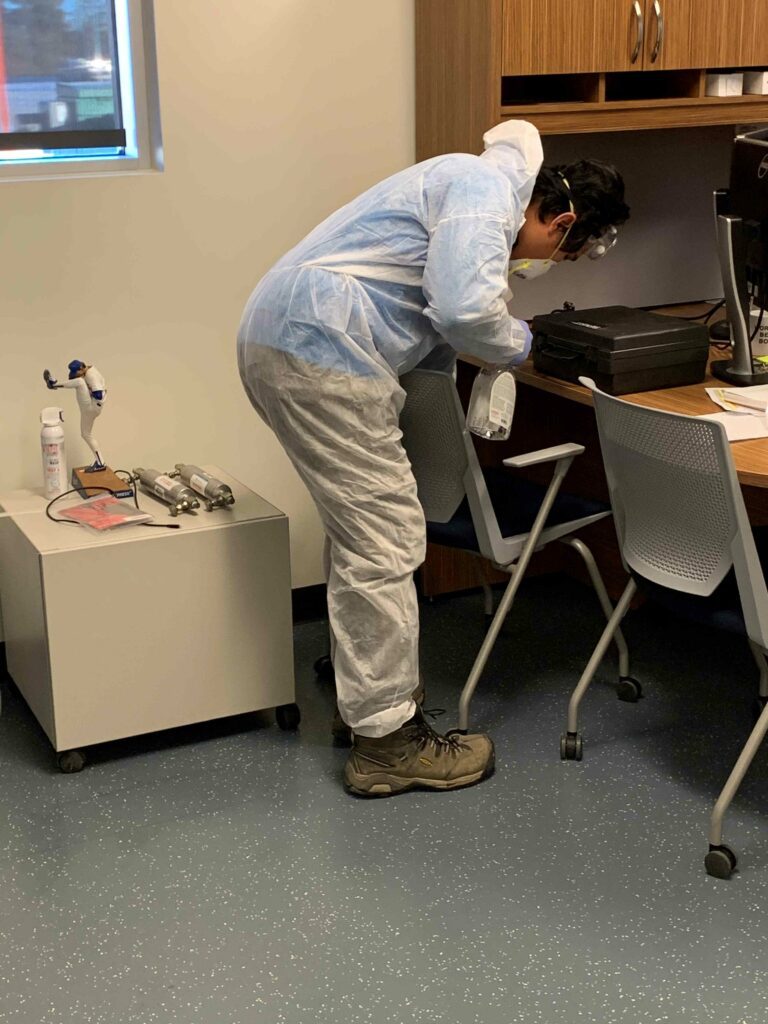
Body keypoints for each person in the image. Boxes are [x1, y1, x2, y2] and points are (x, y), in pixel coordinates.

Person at [237, 119, 629, 797]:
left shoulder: (467, 183)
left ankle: (366, 701)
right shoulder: (485, 190)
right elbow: (465, 310)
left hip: (296, 339)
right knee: (385, 538)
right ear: (561, 221)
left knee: (363, 534)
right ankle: (387, 744)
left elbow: (432, 319)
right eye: (561, 254)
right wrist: (523, 344)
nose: (540, 265)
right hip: (321, 348)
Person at [45, 360, 107, 471]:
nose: (74, 374)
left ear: (82, 368)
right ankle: (100, 462)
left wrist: (88, 390)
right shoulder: (89, 370)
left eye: (75, 372)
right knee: (86, 434)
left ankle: (53, 384)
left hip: (92, 406)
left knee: (79, 382)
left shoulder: (91, 375)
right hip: (93, 407)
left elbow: (98, 395)